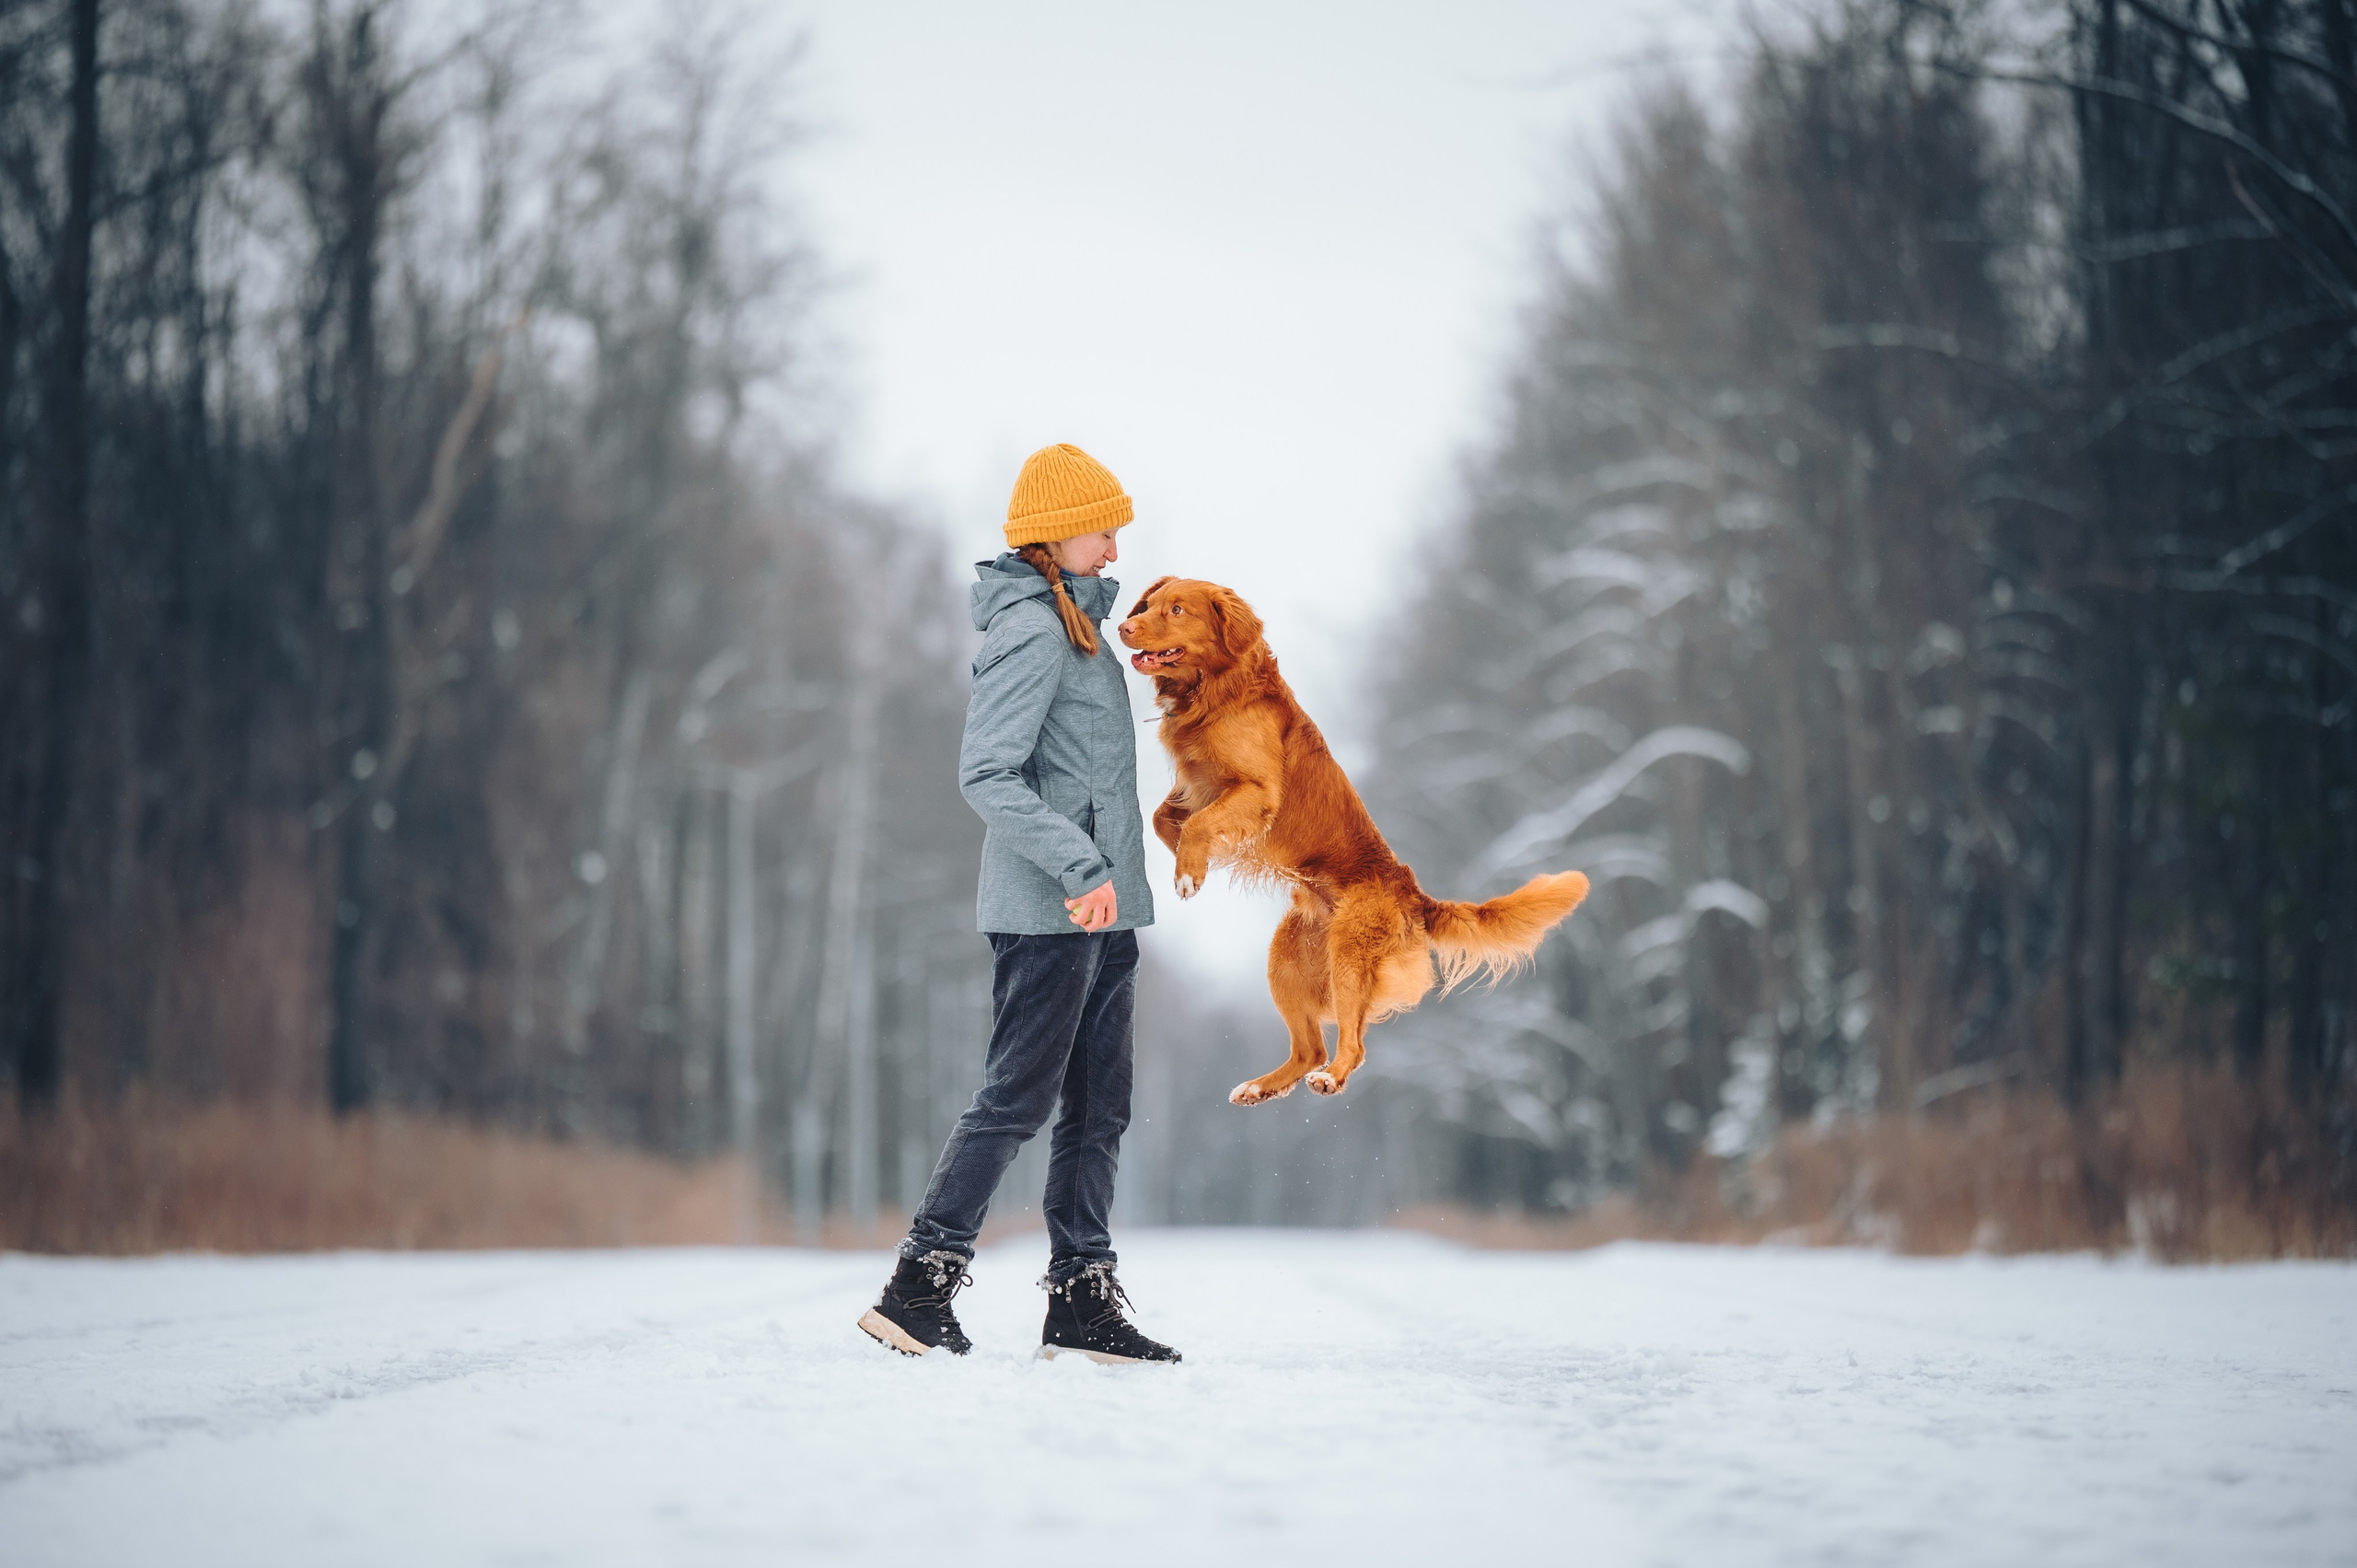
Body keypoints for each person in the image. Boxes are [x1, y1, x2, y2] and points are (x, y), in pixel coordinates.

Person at [856, 442, 1181, 1365]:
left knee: (1097, 1108)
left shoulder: (1079, 631)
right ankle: (918, 1285)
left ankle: (1080, 1299)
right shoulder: (1034, 631)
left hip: (1107, 912)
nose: (1116, 546)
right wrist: (1081, 868)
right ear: (1055, 532)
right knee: (1018, 1098)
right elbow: (985, 773)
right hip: (1053, 910)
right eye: (1103, 526)